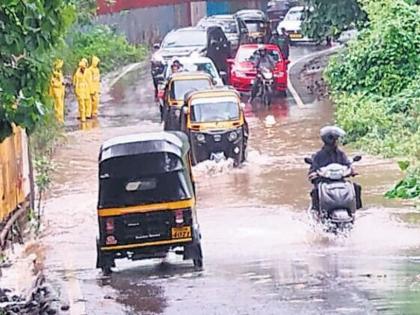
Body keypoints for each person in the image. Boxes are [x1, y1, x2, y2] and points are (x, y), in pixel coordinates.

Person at [308, 126, 362, 211]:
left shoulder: (340, 153)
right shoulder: (318, 155)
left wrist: (352, 170)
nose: (336, 141)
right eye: (335, 139)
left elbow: (347, 164)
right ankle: (316, 213)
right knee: (315, 192)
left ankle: (355, 210)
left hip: (340, 181)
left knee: (356, 187)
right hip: (324, 182)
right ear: (329, 139)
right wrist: (313, 174)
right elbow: (312, 170)